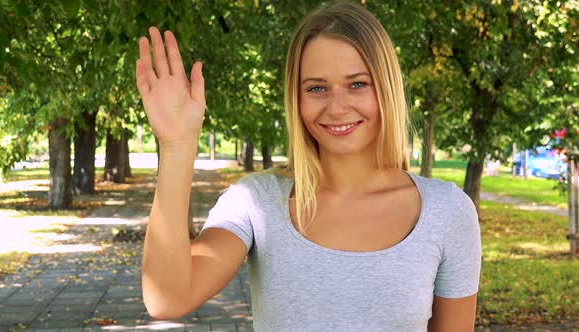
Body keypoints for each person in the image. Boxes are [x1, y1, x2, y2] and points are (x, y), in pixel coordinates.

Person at [137, 1, 482, 331]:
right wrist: (177, 146)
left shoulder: (447, 212)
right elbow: (167, 298)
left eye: (357, 84)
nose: (336, 107)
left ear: (386, 89)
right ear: (296, 98)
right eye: (317, 88)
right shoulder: (255, 202)